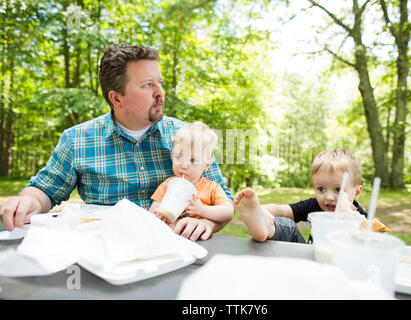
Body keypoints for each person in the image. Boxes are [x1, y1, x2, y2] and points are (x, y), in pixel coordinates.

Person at [0, 44, 233, 241]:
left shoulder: (186, 136)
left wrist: (207, 223)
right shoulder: (77, 140)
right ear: (116, 98)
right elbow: (44, 191)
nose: (160, 92)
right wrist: (27, 201)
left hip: (176, 249)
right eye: (147, 85)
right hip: (107, 250)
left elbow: (224, 201)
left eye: (160, 83)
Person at [234, 148, 389, 243]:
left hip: (339, 266)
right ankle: (262, 226)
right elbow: (282, 210)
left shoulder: (361, 221)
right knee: (287, 226)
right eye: (321, 189)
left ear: (356, 192)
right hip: (309, 259)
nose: (329, 197)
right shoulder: (315, 206)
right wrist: (260, 209)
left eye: (338, 190)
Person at [149, 122, 234, 224]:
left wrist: (203, 210)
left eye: (193, 160)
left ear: (207, 165)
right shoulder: (168, 185)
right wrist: (160, 214)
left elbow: (228, 212)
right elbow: (152, 212)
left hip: (198, 238)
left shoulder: (212, 188)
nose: (184, 165)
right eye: (178, 157)